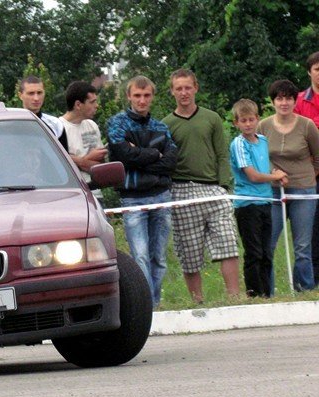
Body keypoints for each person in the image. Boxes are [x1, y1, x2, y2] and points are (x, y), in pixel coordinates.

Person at [163, 68, 240, 302]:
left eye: (188, 87)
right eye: (179, 89)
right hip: (182, 190)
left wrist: (224, 185)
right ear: (172, 92)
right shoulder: (166, 124)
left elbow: (222, 154)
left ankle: (234, 297)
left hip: (213, 188)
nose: (184, 93)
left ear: (196, 88)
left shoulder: (212, 118)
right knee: (189, 251)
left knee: (228, 242)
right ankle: (197, 300)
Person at [106, 75, 178, 306]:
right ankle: (145, 307)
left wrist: (142, 156)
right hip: (132, 198)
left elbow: (170, 161)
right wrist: (154, 153)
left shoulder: (161, 126)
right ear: (129, 96)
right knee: (140, 256)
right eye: (137, 95)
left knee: (159, 257)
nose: (142, 100)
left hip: (161, 195)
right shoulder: (117, 124)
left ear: (152, 97)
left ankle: (155, 303)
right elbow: (123, 156)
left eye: (146, 95)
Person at [258, 80, 319, 292]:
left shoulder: (307, 125)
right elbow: (258, 155)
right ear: (273, 101)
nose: (284, 103)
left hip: (303, 189)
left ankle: (305, 290)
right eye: (279, 98)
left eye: (288, 98)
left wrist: (310, 175)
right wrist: (273, 173)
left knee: (302, 246)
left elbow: (317, 155)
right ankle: (268, 292)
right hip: (273, 191)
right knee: (269, 243)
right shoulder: (263, 126)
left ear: (295, 101)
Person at [229, 99, 288, 297]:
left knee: (266, 251)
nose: (248, 124)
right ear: (236, 123)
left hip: (265, 201)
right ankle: (253, 293)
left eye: (251, 119)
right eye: (243, 120)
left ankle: (266, 293)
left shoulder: (262, 141)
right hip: (247, 203)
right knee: (253, 252)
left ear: (257, 119)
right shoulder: (238, 144)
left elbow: (265, 167)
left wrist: (276, 173)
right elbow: (252, 175)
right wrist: (275, 177)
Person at [294, 51, 319, 282]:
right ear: (309, 72)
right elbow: (293, 133)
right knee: (311, 229)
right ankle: (312, 281)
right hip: (309, 172)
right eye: (317, 69)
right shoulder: (300, 100)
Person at [61, 81, 108, 183]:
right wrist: (86, 160)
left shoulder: (92, 125)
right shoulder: (58, 128)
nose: (97, 106)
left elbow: (100, 166)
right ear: (78, 105)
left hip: (96, 191)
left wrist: (76, 160)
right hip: (73, 190)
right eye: (92, 102)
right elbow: (61, 165)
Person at [17, 75, 69, 151]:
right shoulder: (12, 123)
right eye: (31, 93)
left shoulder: (56, 124)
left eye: (39, 93)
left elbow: (63, 158)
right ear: (20, 95)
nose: (36, 98)